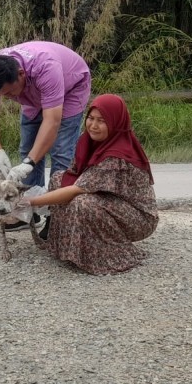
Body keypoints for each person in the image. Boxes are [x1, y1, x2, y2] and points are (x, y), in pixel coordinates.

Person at [27, 94, 157, 275]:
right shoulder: (88, 140)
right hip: (112, 202)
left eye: (102, 121)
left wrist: (30, 202)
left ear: (115, 122)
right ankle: (65, 247)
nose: (93, 125)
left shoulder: (116, 154)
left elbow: (76, 189)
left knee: (84, 203)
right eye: (91, 118)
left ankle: (106, 256)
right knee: (58, 179)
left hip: (138, 217)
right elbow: (71, 175)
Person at [0, 41, 91, 229]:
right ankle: (29, 214)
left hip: (71, 87)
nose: (6, 97)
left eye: (8, 92)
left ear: (21, 74)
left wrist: (29, 163)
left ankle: (58, 218)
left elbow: (52, 121)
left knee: (62, 154)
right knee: (27, 149)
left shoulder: (46, 68)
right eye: (2, 95)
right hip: (32, 93)